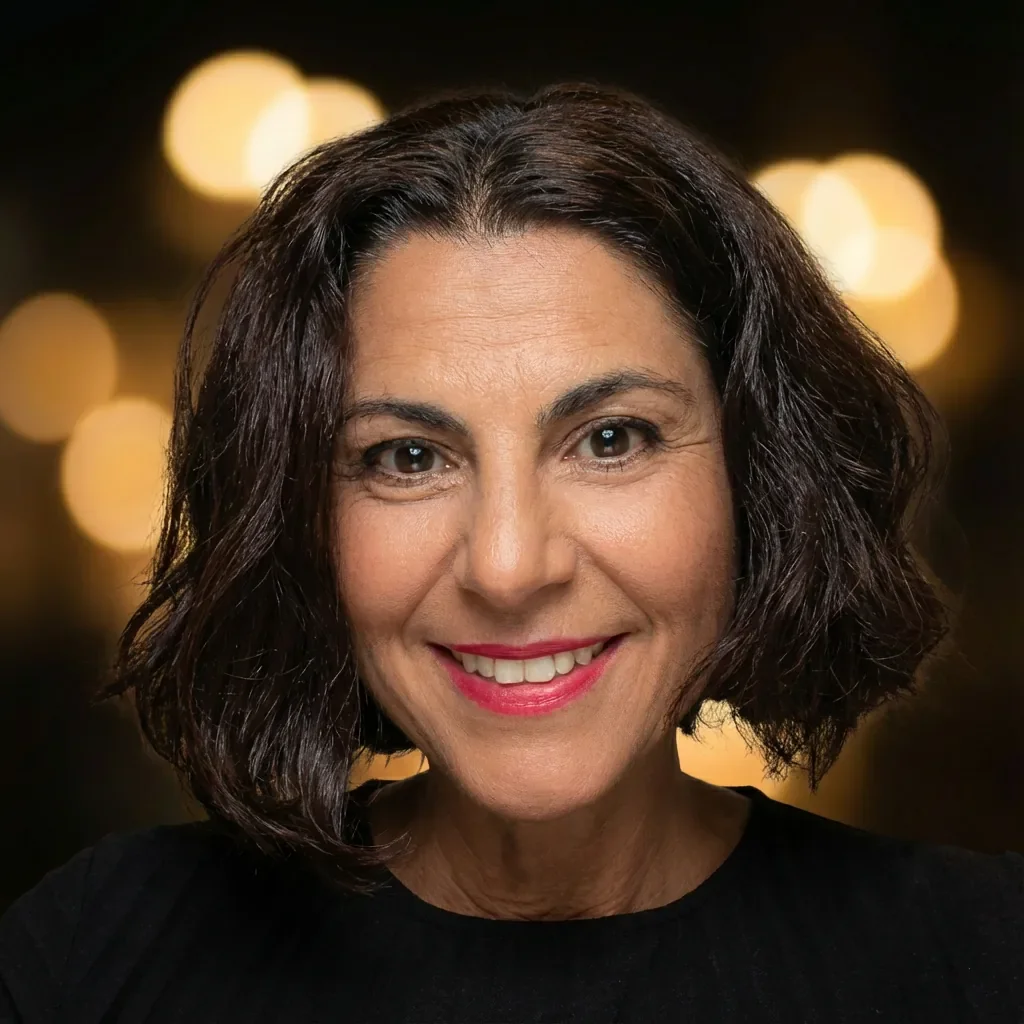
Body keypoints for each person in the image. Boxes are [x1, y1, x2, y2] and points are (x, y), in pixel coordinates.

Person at [1, 82, 1021, 1023]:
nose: (506, 564)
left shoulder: (976, 964)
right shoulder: (96, 956)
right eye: (407, 457)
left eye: (610, 439)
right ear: (301, 516)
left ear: (758, 478)